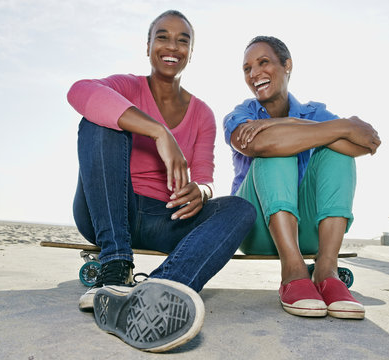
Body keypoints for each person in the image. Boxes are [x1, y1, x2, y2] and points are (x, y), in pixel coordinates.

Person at [67, 10, 256, 352]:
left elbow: (205, 177)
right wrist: (158, 132)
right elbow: (79, 91)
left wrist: (201, 191)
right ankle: (114, 267)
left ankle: (158, 287)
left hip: (166, 218)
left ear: (191, 52)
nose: (172, 46)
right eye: (163, 36)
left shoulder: (202, 113)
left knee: (240, 208)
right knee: (99, 121)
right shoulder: (128, 86)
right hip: (108, 209)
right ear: (149, 46)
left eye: (183, 40)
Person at [223, 36, 381, 320]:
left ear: (287, 65)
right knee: (276, 148)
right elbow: (259, 145)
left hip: (309, 232)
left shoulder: (315, 112)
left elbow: (364, 144)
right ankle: (293, 273)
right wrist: (341, 128)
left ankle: (326, 272)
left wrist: (287, 122)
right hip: (255, 227)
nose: (254, 73)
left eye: (263, 63)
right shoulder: (241, 114)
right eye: (247, 68)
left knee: (337, 155)